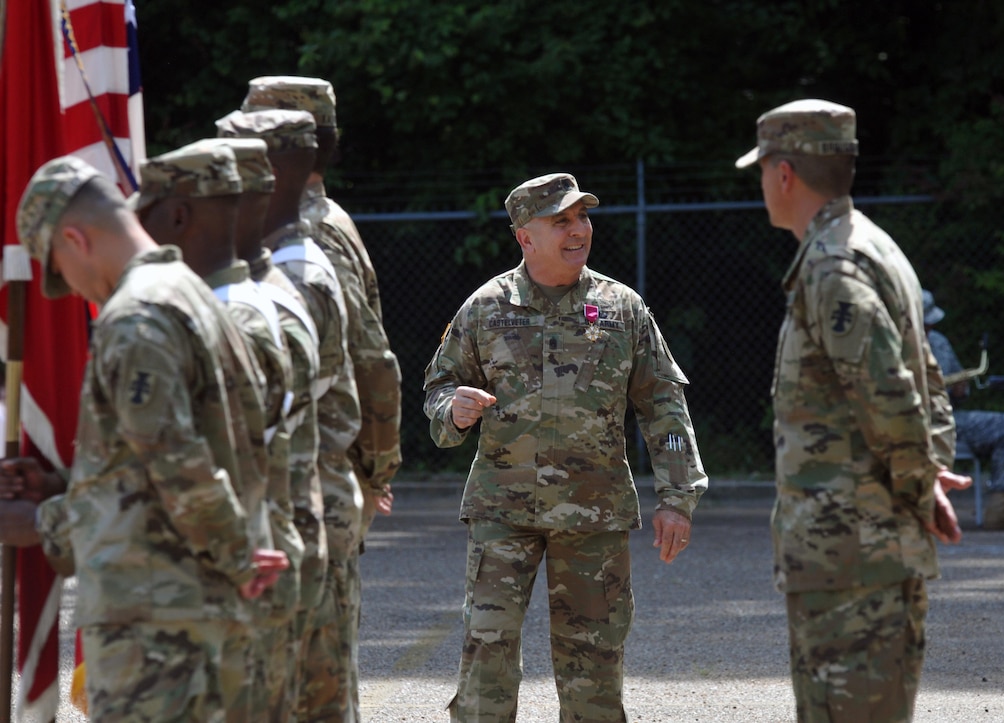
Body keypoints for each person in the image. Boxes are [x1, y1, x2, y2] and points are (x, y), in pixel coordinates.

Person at [0, 155, 288, 721]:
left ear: (74, 239)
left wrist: (40, 523)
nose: (72, 285)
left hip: (158, 628)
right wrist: (64, 482)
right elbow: (191, 447)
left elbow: (180, 466)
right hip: (197, 613)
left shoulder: (134, 318)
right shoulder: (193, 294)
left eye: (60, 266)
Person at [423, 172, 708, 722]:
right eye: (562, 221)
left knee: (594, 666)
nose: (579, 230)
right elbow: (439, 388)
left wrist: (677, 497)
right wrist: (451, 412)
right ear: (525, 237)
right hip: (502, 512)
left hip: (593, 514)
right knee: (488, 655)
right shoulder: (486, 308)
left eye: (582, 216)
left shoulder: (622, 308)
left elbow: (664, 405)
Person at [735, 99, 971, 722]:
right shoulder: (871, 246)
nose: (761, 183)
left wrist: (922, 488)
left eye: (762, 169)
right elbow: (931, 385)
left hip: (852, 560)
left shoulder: (833, 265)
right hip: (856, 554)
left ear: (784, 173)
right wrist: (928, 475)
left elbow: (891, 394)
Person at [132, 139, 306, 720]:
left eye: (145, 213)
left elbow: (196, 466)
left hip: (233, 563)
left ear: (179, 216)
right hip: (258, 547)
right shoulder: (251, 298)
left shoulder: (232, 315)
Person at [216, 108, 365, 721]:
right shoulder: (297, 254)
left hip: (298, 499)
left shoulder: (294, 267)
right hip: (311, 496)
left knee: (306, 686)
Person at [242, 75, 402, 543]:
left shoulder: (310, 231)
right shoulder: (327, 216)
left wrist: (374, 471)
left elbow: (371, 360)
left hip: (312, 481)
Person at [922, 289, 1004, 529]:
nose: (929, 328)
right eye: (924, 323)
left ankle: (1000, 506)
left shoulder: (939, 341)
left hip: (948, 417)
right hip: (910, 421)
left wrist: (961, 391)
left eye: (931, 323)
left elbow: (958, 390)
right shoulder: (888, 345)